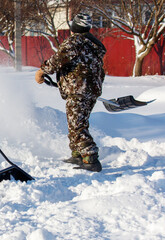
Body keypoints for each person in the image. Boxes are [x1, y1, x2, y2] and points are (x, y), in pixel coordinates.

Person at [35, 13, 106, 172]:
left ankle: (90, 158)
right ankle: (77, 154)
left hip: (78, 89)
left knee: (77, 125)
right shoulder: (93, 44)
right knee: (79, 122)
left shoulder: (74, 43)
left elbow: (57, 61)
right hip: (91, 89)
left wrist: (41, 71)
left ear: (74, 28)